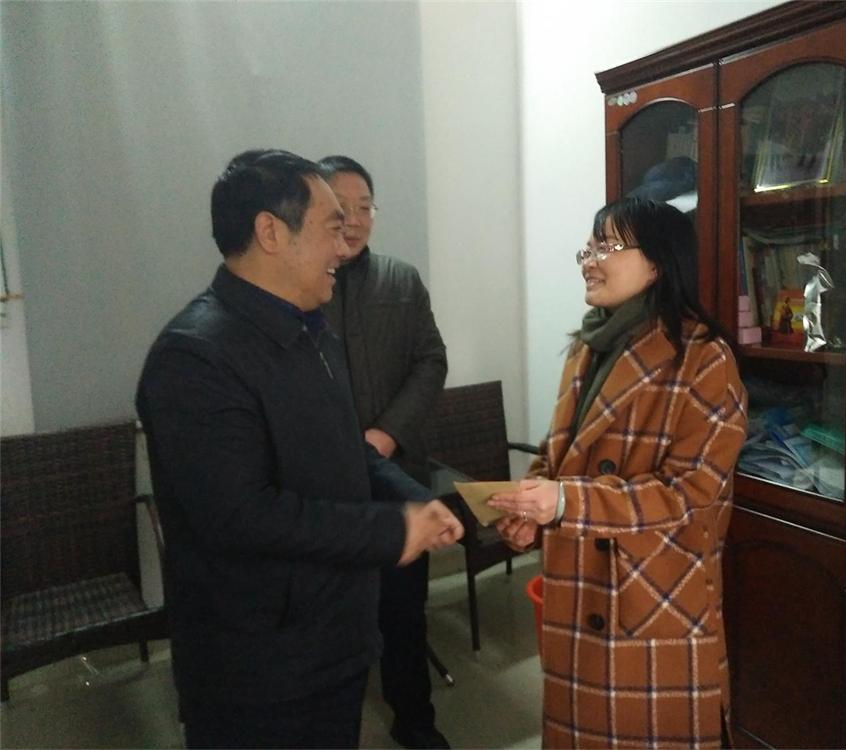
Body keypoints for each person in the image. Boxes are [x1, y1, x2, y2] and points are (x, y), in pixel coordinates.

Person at [135, 149, 463, 749]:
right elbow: (241, 516)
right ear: (271, 232)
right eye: (332, 227)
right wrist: (391, 530)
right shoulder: (195, 357)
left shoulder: (311, 331)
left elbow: (348, 451)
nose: (345, 244)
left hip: (333, 640)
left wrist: (416, 500)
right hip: (259, 667)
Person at [489, 197, 748, 748]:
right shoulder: (587, 347)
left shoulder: (704, 359)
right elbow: (557, 452)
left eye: (606, 246)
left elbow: (690, 494)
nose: (589, 260)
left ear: (657, 263)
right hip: (581, 583)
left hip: (651, 596)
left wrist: (565, 503)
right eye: (588, 248)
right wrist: (532, 509)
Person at [316, 155, 450, 750]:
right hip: (325, 488)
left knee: (403, 611)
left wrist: (387, 434)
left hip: (397, 476)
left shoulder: (401, 280)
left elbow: (431, 361)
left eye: (364, 206)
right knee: (332, 615)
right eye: (340, 208)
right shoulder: (299, 286)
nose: (354, 219)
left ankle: (415, 721)